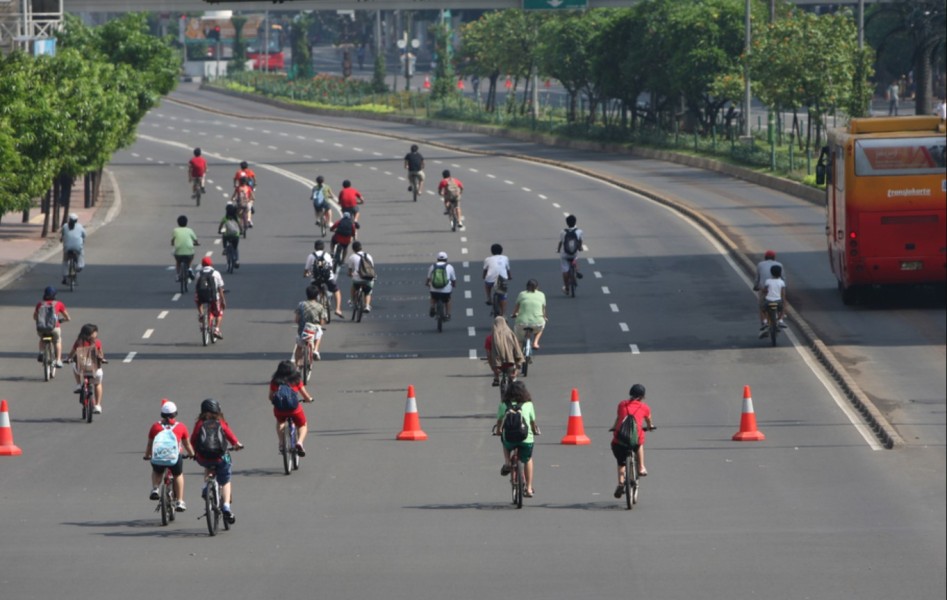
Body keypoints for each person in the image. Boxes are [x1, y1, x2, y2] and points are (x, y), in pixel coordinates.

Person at [191, 398, 243, 524]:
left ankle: (206, 485)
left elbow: (193, 440)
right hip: (220, 458)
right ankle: (226, 506)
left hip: (203, 458)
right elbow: (230, 436)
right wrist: (236, 444)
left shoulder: (200, 424)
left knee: (207, 467)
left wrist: (193, 453)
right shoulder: (220, 422)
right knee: (225, 481)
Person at [145, 401, 195, 512]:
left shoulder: (155, 426)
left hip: (158, 458)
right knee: (178, 475)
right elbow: (187, 444)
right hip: (174, 458)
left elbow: (150, 444)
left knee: (157, 471)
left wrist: (147, 455)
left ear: (162, 414)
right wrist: (192, 454)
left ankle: (155, 488)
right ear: (175, 414)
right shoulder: (181, 427)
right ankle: (180, 501)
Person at [494, 381, 540, 498]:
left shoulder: (504, 404)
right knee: (528, 459)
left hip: (509, 438)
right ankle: (529, 488)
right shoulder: (528, 404)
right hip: (526, 439)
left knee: (505, 443)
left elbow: (499, 421)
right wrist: (535, 430)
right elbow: (532, 422)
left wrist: (499, 430)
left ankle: (507, 462)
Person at [610, 384, 654, 499]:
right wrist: (650, 426)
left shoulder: (622, 404)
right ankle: (641, 467)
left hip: (619, 441)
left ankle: (620, 483)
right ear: (642, 396)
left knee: (621, 462)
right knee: (639, 443)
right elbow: (648, 420)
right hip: (634, 440)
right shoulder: (644, 407)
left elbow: (619, 417)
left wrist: (614, 427)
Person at [268, 360, 314, 456]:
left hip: (279, 410)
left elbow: (270, 397)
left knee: (280, 423)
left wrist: (275, 401)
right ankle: (299, 442)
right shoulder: (296, 380)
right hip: (294, 410)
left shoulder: (275, 381)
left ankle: (281, 443)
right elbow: (305, 396)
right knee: (303, 425)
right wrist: (309, 399)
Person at [66, 323, 107, 413]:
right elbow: (101, 355)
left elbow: (72, 353)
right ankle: (98, 405)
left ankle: (78, 385)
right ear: (91, 333)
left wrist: (68, 359)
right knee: (98, 384)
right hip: (94, 370)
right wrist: (102, 360)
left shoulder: (78, 342)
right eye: (95, 332)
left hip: (81, 370)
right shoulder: (97, 342)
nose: (96, 333)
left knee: (73, 365)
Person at [304, 240, 345, 318]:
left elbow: (306, 270)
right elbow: (331, 267)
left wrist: (306, 274)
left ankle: (314, 311)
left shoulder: (311, 256)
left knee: (313, 293)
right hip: (328, 277)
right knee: (336, 290)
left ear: (315, 247)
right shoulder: (327, 255)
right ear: (323, 247)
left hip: (316, 278)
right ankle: (338, 309)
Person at [33, 285, 70, 367]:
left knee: (42, 338)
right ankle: (58, 360)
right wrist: (65, 320)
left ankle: (41, 352)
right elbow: (67, 317)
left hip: (41, 328)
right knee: (57, 341)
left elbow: (35, 317)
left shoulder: (40, 304)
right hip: (54, 328)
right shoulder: (59, 304)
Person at [194, 256, 227, 340]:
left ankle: (201, 314)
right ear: (211, 264)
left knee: (198, 300)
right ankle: (216, 329)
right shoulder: (216, 273)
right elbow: (220, 288)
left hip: (201, 297)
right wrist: (223, 300)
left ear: (202, 264)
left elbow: (196, 287)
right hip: (213, 297)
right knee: (219, 312)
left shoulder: (198, 274)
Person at [486, 316, 524, 387]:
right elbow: (517, 349)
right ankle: (513, 378)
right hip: (510, 362)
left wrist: (492, 367)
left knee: (493, 358)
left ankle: (496, 378)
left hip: (497, 365)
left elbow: (488, 353)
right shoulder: (511, 334)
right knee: (512, 377)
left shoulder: (490, 338)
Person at [511, 279, 548, 349]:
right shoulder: (541, 294)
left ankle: (519, 353)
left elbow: (517, 308)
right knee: (541, 328)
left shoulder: (522, 294)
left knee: (519, 340)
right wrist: (544, 317)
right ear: (537, 287)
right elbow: (543, 309)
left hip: (521, 323)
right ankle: (535, 342)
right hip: (537, 323)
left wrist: (513, 314)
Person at [295, 284, 328, 363]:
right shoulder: (320, 306)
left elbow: (296, 319)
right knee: (320, 333)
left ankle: (296, 364)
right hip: (314, 329)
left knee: (299, 347)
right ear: (317, 295)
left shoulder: (301, 304)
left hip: (302, 329)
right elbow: (322, 322)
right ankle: (316, 350)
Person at [556, 214, 584, 293]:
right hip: (574, 253)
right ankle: (576, 269)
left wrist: (558, 250)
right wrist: (580, 247)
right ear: (575, 222)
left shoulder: (563, 232)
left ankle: (567, 287)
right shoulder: (579, 231)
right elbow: (580, 241)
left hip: (565, 254)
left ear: (567, 223)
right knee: (576, 257)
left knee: (565, 270)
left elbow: (561, 242)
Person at [426, 251, 457, 320]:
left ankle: (433, 307)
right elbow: (454, 279)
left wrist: (427, 284)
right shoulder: (450, 267)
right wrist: (454, 285)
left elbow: (428, 278)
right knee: (448, 299)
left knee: (433, 296)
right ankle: (448, 314)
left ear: (437, 259)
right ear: (446, 259)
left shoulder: (432, 266)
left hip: (434, 289)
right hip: (446, 290)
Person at [345, 240, 375, 313]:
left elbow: (349, 271)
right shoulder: (368, 256)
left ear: (353, 249)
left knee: (353, 287)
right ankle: (367, 305)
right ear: (361, 248)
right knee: (368, 292)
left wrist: (350, 275)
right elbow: (372, 268)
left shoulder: (352, 257)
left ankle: (352, 301)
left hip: (357, 279)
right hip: (368, 278)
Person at [483, 243, 512, 316]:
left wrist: (484, 276)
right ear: (501, 251)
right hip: (502, 279)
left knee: (487, 285)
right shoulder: (505, 258)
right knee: (503, 297)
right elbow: (508, 269)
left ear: (491, 251)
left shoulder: (488, 259)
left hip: (490, 279)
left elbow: (485, 270)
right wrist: (510, 277)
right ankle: (504, 314)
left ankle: (489, 298)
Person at [759, 263, 787, 337]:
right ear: (780, 273)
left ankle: (765, 322)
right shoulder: (782, 282)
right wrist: (783, 301)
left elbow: (765, 291)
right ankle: (781, 320)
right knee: (784, 307)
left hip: (768, 301)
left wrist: (762, 291)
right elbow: (783, 294)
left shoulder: (768, 281)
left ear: (771, 272)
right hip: (778, 301)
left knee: (762, 308)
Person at [171, 215, 199, 282]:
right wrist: (196, 243)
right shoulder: (189, 230)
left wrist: (172, 243)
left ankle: (178, 275)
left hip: (178, 252)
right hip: (189, 251)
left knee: (178, 261)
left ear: (178, 223)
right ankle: (189, 269)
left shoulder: (175, 230)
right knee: (191, 258)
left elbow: (172, 240)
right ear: (186, 222)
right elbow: (195, 240)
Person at [60, 213, 86, 285]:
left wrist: (62, 239)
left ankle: (65, 276)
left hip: (67, 248)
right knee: (80, 253)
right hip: (77, 248)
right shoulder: (80, 226)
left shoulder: (65, 226)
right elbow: (84, 235)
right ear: (76, 220)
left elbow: (62, 235)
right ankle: (79, 266)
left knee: (65, 261)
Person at [218, 203, 241, 269]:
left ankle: (225, 248)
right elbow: (240, 226)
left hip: (228, 235)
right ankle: (237, 260)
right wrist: (241, 231)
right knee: (235, 248)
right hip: (236, 235)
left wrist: (219, 230)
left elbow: (220, 226)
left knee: (224, 236)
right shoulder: (236, 218)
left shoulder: (225, 218)